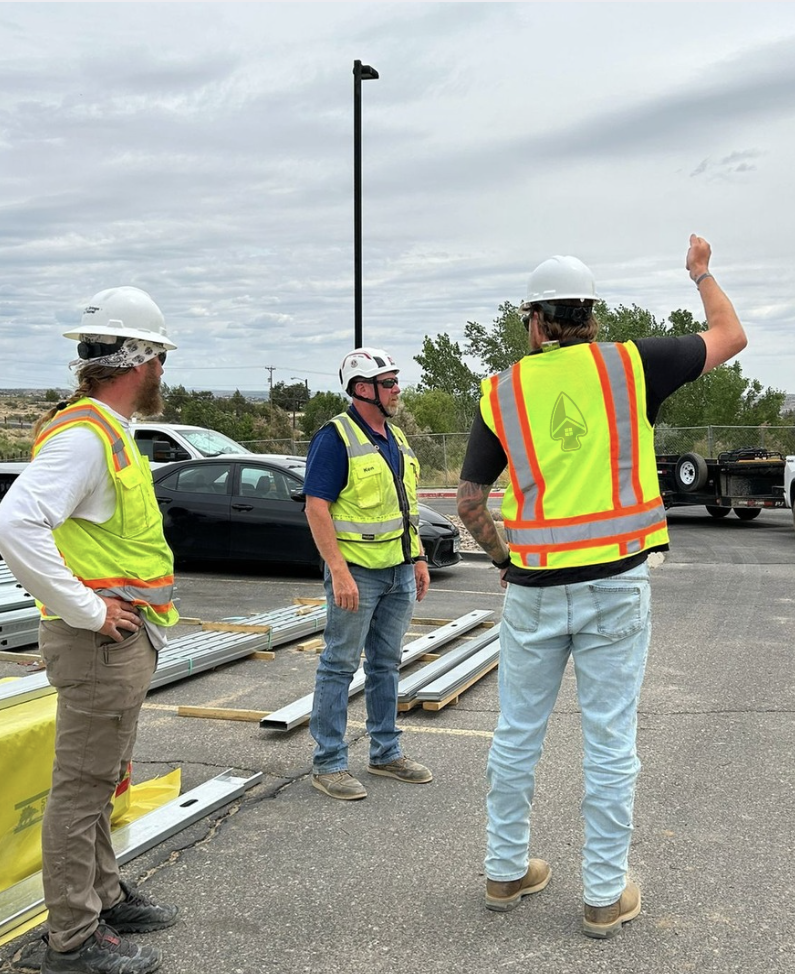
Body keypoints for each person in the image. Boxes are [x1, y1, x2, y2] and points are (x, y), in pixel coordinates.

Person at [457, 236, 747, 937]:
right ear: (591, 316)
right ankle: (602, 896)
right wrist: (701, 272)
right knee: (610, 739)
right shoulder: (631, 365)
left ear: (533, 322)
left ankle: (504, 873)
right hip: (616, 584)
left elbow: (470, 502)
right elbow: (731, 336)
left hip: (531, 590)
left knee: (518, 733)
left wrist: (504, 559)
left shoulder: (504, 391)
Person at [0, 286, 182, 974]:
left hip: (115, 640)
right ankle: (72, 938)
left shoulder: (103, 430)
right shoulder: (85, 439)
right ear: (143, 359)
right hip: (98, 642)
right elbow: (13, 527)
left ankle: (103, 895)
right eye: (160, 356)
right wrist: (88, 611)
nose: (163, 370)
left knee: (99, 779)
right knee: (79, 789)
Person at [303, 347, 433, 800]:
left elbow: (406, 507)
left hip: (398, 570)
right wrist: (338, 571)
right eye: (389, 382)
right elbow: (316, 507)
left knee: (386, 663)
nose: (397, 389)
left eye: (396, 381)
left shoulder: (394, 438)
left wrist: (417, 558)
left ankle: (385, 753)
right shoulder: (335, 437)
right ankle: (330, 763)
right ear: (363, 389)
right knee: (339, 664)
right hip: (357, 573)